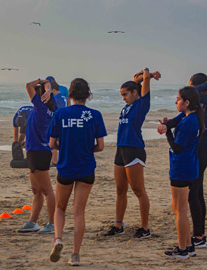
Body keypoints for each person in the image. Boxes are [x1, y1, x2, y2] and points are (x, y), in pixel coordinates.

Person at [48, 78, 106, 266]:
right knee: (79, 211)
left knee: (60, 208)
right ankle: (75, 254)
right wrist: (88, 149)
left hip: (66, 166)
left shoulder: (60, 114)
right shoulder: (95, 115)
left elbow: (51, 143)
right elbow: (100, 146)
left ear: (70, 95)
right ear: (88, 95)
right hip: (86, 167)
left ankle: (57, 239)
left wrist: (63, 146)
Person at [163, 74, 207, 248]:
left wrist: (206, 84)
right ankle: (199, 234)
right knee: (197, 193)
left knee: (193, 194)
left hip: (201, 150)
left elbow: (189, 93)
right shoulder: (199, 104)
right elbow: (182, 111)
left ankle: (199, 236)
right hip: (199, 149)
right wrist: (168, 126)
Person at [104, 69, 160, 238]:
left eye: (125, 94)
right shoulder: (126, 107)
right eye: (122, 95)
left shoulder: (141, 105)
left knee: (138, 189)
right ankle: (118, 225)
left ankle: (145, 228)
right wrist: (141, 78)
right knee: (120, 190)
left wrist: (147, 73)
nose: (123, 97)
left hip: (134, 149)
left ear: (135, 93)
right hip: (120, 149)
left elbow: (142, 82)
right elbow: (136, 80)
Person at [157, 86, 203, 259]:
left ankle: (182, 248)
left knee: (180, 210)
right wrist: (165, 124)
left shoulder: (189, 122)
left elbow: (176, 148)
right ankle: (188, 245)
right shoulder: (188, 117)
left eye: (178, 99)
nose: (176, 101)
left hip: (182, 169)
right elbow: (174, 120)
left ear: (187, 102)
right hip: (188, 167)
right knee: (179, 208)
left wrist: (167, 132)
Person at [17, 79, 56, 234]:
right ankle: (33, 222)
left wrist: (44, 83)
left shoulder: (41, 107)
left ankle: (52, 223)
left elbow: (28, 85)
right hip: (33, 150)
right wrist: (48, 88)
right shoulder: (46, 108)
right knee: (36, 190)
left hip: (40, 152)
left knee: (47, 190)